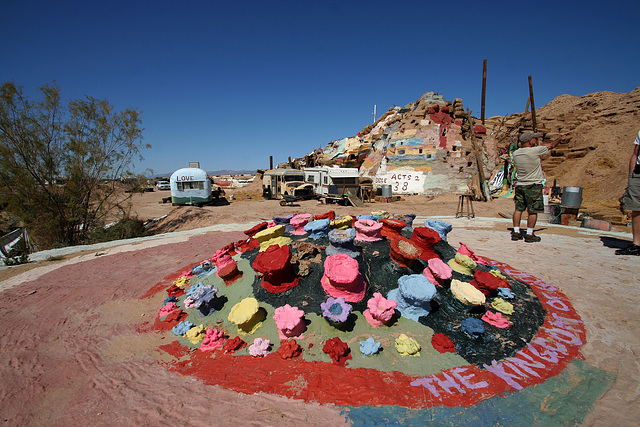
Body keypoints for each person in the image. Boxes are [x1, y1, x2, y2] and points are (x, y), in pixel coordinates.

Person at [511, 131, 560, 242]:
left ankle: (516, 232)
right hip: (533, 185)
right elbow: (551, 145)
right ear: (530, 141)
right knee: (532, 211)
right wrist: (560, 138)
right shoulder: (535, 150)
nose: (536, 140)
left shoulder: (516, 153)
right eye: (534, 139)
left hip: (520, 184)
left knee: (518, 209)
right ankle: (529, 234)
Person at [616, 130, 640, 255]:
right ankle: (637, 244)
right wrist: (631, 175)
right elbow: (635, 154)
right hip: (638, 173)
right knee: (636, 208)